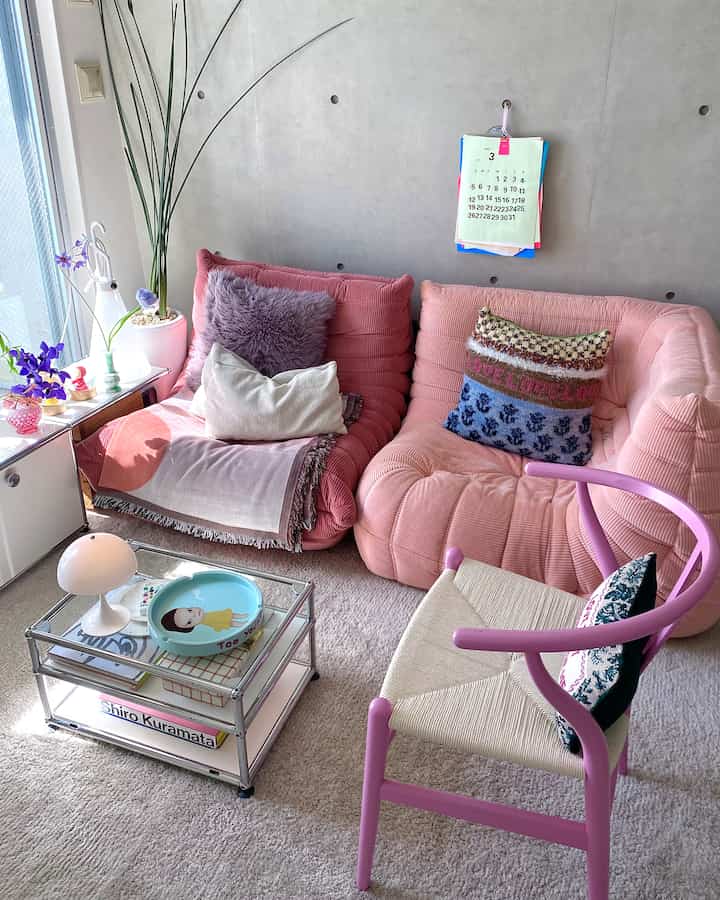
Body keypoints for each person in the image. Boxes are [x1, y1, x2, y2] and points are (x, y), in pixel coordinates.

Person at [160, 605, 249, 634]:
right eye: (189, 621)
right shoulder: (206, 622)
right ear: (189, 627)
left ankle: (241, 616)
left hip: (215, 615)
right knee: (229, 622)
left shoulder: (206, 614)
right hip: (214, 621)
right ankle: (242, 624)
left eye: (189, 610)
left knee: (228, 614)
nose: (194, 614)